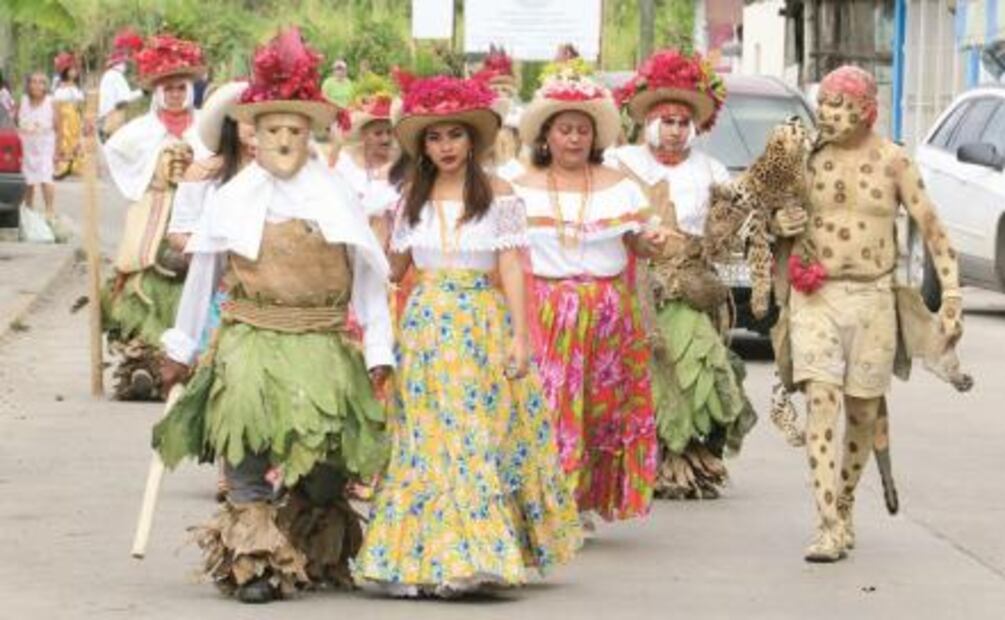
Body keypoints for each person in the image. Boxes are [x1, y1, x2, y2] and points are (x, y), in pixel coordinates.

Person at [153, 28, 393, 604]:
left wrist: (380, 350)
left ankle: (313, 543)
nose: (283, 140)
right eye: (272, 130)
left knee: (328, 458)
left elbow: (368, 278)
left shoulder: (336, 196)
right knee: (247, 451)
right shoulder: (231, 198)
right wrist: (180, 347)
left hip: (320, 343)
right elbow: (203, 276)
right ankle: (254, 560)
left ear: (310, 135)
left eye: (294, 130)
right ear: (252, 135)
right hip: (251, 341)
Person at [354, 74, 581, 598]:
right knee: (425, 440)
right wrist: (367, 236)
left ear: (472, 140)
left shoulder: (499, 193)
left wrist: (521, 338)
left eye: (455, 136)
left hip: (481, 322)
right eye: (434, 138)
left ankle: (477, 554)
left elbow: (512, 269)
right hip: (426, 325)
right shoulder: (412, 195)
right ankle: (416, 556)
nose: (446, 147)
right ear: (423, 145)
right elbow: (394, 269)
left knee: (477, 434)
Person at [770, 65, 962, 562]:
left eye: (841, 108)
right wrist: (780, 222)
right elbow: (765, 216)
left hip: (874, 298)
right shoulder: (802, 159)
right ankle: (827, 522)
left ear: (866, 111)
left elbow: (933, 229)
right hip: (816, 296)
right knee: (821, 401)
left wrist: (954, 297)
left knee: (862, 411)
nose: (829, 117)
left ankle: (848, 499)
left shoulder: (894, 161)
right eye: (825, 106)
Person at [512, 65, 660, 524]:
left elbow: (634, 241)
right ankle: (548, 500)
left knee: (600, 408)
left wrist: (651, 242)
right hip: (546, 311)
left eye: (582, 131)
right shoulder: (517, 188)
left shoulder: (619, 186)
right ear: (546, 136)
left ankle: (580, 498)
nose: (573, 139)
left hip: (608, 313)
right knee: (551, 405)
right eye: (564, 130)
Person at [607, 49, 757, 500]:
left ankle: (685, 461)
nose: (674, 130)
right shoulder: (620, 162)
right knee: (638, 371)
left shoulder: (710, 170)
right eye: (666, 121)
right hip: (637, 282)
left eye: (681, 122)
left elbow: (732, 222)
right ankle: (640, 461)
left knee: (697, 366)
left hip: (691, 286)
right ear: (649, 122)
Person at [101, 33, 211, 401]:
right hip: (156, 211)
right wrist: (149, 179)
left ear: (190, 89)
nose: (177, 94)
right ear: (158, 93)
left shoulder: (206, 129)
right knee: (145, 280)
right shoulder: (140, 132)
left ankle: (194, 362)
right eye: (170, 89)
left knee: (197, 277)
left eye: (182, 87)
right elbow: (115, 151)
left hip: (197, 212)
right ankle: (145, 362)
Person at [332, 73, 398, 244]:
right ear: (363, 135)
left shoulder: (402, 162)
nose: (385, 139)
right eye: (378, 133)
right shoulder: (346, 161)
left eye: (389, 132)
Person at [17, 72, 60, 220]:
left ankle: (49, 211)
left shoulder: (51, 102)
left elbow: (57, 127)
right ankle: (28, 210)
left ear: (45, 86)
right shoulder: (22, 101)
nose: (36, 85)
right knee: (28, 179)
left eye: (40, 82)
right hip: (27, 146)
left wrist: (58, 151)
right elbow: (16, 122)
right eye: (33, 81)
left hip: (45, 146)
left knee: (45, 177)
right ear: (28, 85)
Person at [98, 29, 143, 139]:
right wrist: (143, 91)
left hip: (104, 117)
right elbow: (124, 98)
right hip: (113, 117)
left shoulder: (107, 75)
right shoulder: (117, 76)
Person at [52, 53, 85, 178]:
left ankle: (76, 165)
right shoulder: (60, 90)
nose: (75, 72)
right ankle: (63, 166)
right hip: (65, 120)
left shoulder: (76, 88)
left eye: (75, 69)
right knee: (65, 141)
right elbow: (57, 107)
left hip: (76, 118)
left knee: (77, 141)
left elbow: (81, 105)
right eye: (72, 69)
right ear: (65, 71)